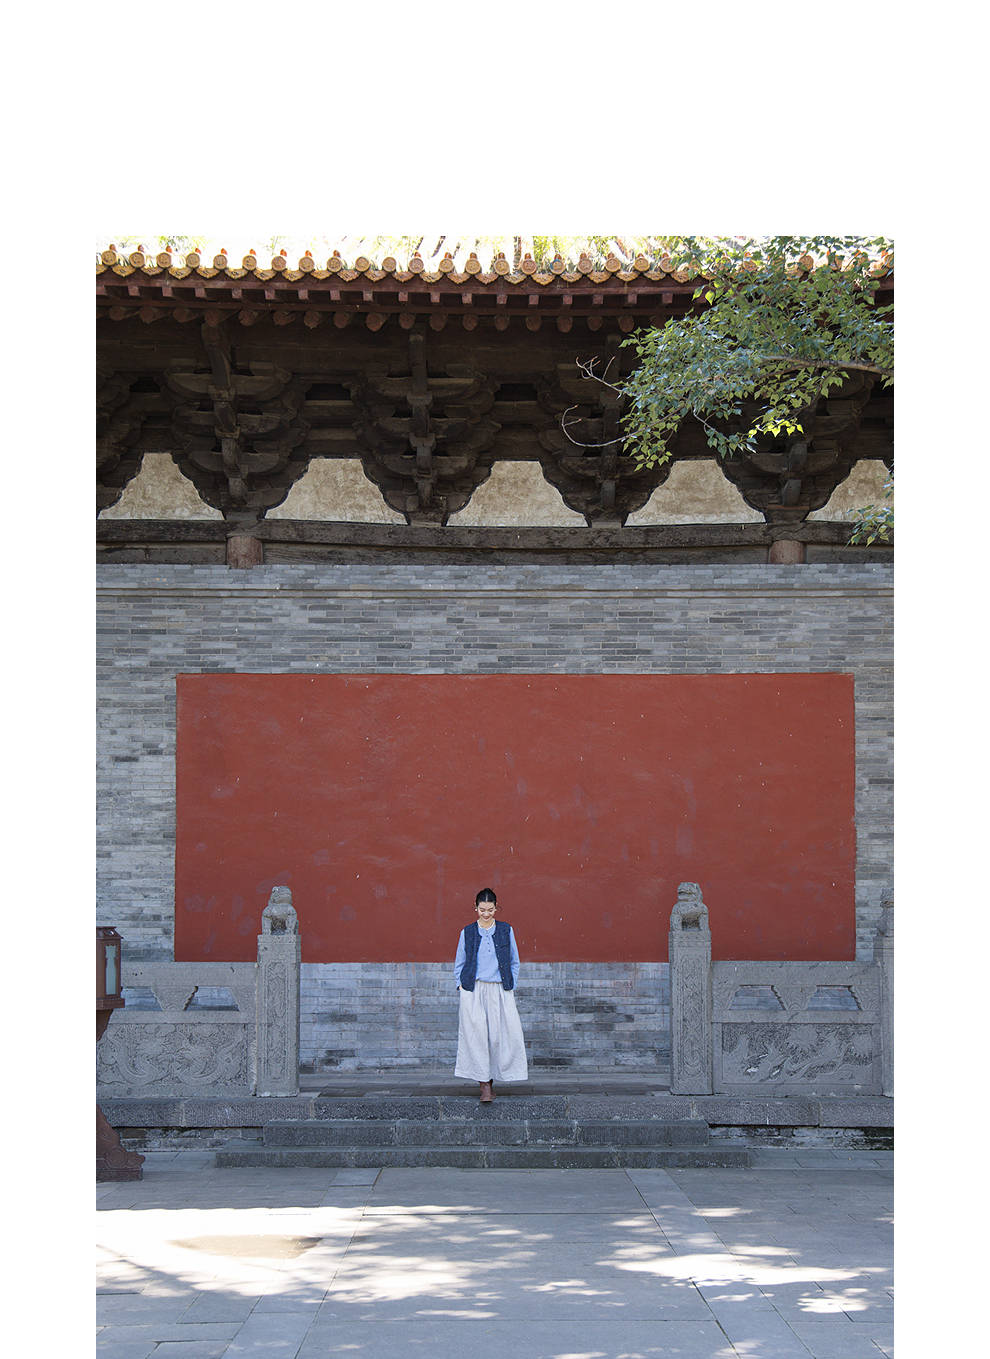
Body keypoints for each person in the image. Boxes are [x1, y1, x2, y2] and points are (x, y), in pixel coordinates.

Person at [453, 888, 528, 1102]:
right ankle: (484, 1085)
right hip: (474, 989)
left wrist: (511, 984)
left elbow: (514, 961)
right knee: (476, 1037)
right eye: (482, 910)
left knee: (501, 1036)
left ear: (496, 908)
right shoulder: (467, 932)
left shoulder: (505, 930)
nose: (486, 914)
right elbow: (459, 962)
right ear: (475, 908)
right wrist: (461, 987)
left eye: (490, 910)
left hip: (500, 989)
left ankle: (494, 1079)